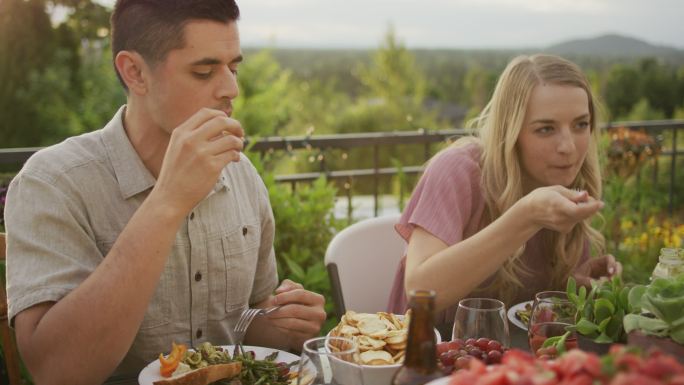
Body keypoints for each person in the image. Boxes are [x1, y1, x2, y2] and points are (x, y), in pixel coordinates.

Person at [4, 1, 326, 384]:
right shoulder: (53, 183)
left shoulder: (241, 175)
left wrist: (283, 324)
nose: (231, 89)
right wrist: (167, 202)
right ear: (135, 72)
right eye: (204, 71)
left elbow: (244, 323)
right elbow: (56, 373)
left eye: (234, 67)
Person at [387, 54, 622, 334]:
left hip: (515, 364)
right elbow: (421, 292)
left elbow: (524, 311)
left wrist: (574, 283)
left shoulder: (567, 182)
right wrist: (526, 217)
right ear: (510, 131)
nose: (569, 147)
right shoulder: (459, 170)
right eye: (545, 129)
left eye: (580, 124)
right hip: (428, 359)